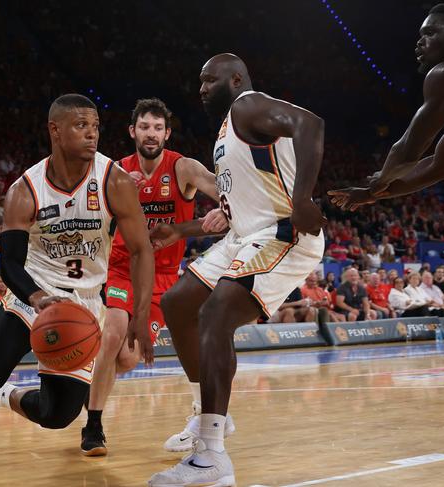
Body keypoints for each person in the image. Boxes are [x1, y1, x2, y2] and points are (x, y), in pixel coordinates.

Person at [0, 94, 154, 486]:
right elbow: (9, 263)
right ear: (55, 130)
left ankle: (3, 398)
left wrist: (141, 314)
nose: (92, 134)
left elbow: (141, 249)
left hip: (84, 304)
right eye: (81, 126)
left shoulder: (114, 180)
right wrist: (38, 299)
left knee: (57, 415)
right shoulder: (25, 190)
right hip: (33, 294)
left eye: (95, 126)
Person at [148, 54, 326, 486]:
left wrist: (303, 199)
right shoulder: (228, 130)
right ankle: (206, 415)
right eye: (199, 81)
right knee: (178, 304)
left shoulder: (249, 104)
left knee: (215, 314)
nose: (201, 88)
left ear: (235, 78)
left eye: (209, 80)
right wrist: (182, 231)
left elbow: (311, 124)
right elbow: (231, 215)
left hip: (283, 233)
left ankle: (211, 458)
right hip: (244, 237)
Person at [82, 98, 226, 456]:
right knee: (114, 332)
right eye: (144, 127)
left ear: (167, 133)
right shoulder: (115, 171)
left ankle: (85, 386)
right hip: (121, 266)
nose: (151, 133)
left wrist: (187, 228)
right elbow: (90, 221)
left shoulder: (185, 169)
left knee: (127, 359)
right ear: (133, 131)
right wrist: (109, 195)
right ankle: (93, 426)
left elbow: (230, 202)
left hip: (162, 277)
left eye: (158, 128)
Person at [329, 2, 444, 209]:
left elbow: (407, 152)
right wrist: (373, 193)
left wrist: (380, 181)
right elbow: (439, 165)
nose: (419, 42)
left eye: (429, 33)